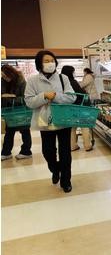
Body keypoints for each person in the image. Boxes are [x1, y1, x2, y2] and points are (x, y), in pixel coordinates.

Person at [25, 50, 76, 193]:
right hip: (44, 121)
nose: (50, 63)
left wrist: (55, 96)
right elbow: (29, 101)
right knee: (47, 152)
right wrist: (43, 96)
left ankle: (66, 181)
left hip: (63, 119)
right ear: (39, 64)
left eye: (52, 60)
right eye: (46, 61)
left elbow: (72, 97)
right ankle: (55, 169)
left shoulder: (63, 78)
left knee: (65, 152)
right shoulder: (32, 81)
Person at [1, 65, 32, 160]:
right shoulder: (2, 81)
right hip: (9, 111)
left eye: (5, 76)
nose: (4, 78)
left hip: (21, 110)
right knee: (9, 131)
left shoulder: (21, 82)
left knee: (25, 130)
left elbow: (26, 98)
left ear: (11, 74)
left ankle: (26, 152)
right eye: (2, 76)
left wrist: (12, 98)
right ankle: (6, 152)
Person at [61, 66, 94, 152]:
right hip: (79, 106)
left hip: (69, 107)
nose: (74, 73)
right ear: (70, 73)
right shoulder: (73, 82)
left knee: (72, 127)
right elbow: (80, 93)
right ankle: (87, 145)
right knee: (84, 125)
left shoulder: (62, 83)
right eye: (73, 72)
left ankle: (72, 146)